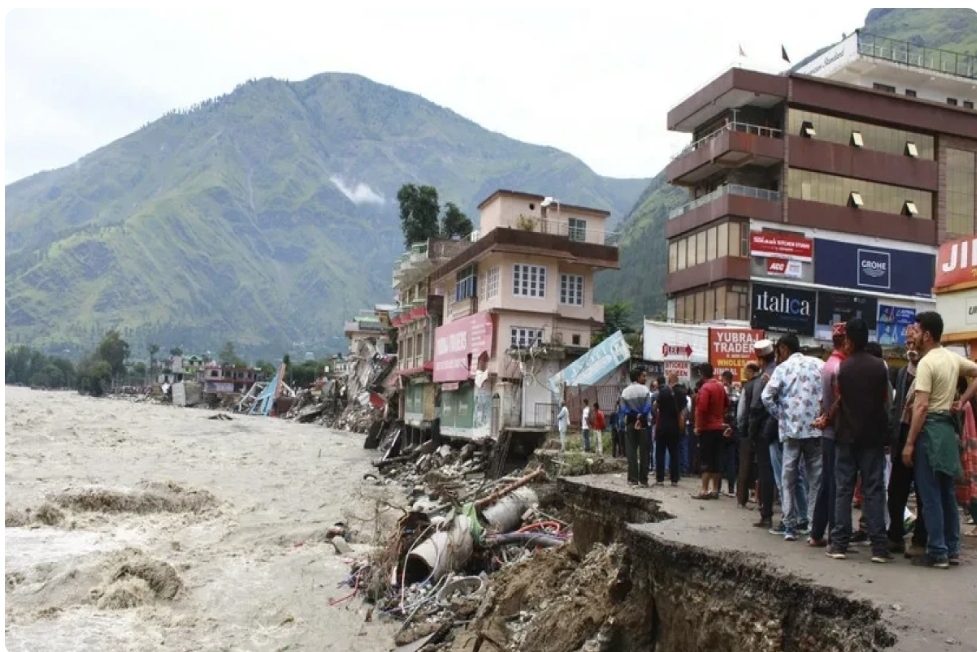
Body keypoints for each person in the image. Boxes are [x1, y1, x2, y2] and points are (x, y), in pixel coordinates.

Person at [904, 311, 976, 568]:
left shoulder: (926, 363)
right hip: (947, 430)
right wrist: (962, 400)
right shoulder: (952, 358)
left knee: (930, 493)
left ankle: (937, 551)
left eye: (917, 330)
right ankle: (952, 547)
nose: (914, 334)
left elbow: (921, 407)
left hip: (930, 430)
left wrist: (910, 443)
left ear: (927, 334)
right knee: (946, 492)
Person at [820, 318, 892, 563]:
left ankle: (838, 543)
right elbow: (885, 402)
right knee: (874, 491)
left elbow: (840, 400)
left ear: (848, 340)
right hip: (872, 437)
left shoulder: (843, 368)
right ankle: (879, 548)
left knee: (844, 490)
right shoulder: (880, 366)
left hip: (846, 437)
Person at [762, 333, 824, 541]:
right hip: (815, 430)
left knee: (787, 480)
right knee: (815, 480)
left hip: (791, 432)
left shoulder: (783, 369)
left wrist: (782, 415)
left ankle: (790, 526)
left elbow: (766, 397)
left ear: (785, 349)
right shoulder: (819, 364)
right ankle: (812, 527)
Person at [887, 330, 928, 556]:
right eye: (907, 343)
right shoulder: (903, 373)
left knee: (923, 492)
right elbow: (896, 408)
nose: (910, 347)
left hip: (922, 438)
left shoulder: (929, 369)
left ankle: (920, 540)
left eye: (914, 342)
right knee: (896, 491)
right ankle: (895, 535)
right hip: (901, 437)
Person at [809, 322, 846, 548]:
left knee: (827, 482)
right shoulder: (839, 367)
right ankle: (834, 533)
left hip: (828, 432)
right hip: (836, 431)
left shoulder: (829, 364)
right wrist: (827, 418)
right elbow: (840, 401)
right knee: (836, 485)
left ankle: (816, 532)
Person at [750, 339, 779, 529]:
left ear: (760, 359)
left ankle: (766, 513)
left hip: (765, 430)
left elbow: (756, 407)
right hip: (782, 427)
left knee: (766, 471)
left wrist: (751, 431)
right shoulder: (780, 370)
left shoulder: (764, 377)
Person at [693, 363, 729, 499]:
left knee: (706, 459)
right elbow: (727, 403)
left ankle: (704, 490)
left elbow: (702, 409)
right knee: (717, 459)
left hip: (707, 428)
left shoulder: (705, 388)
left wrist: (698, 427)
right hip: (719, 427)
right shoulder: (720, 386)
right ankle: (715, 490)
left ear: (702, 374)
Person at [620, 367, 653, 487]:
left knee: (631, 452)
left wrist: (634, 415)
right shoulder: (645, 390)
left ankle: (633, 479)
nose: (644, 378)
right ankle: (644, 480)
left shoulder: (625, 392)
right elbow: (649, 406)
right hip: (643, 423)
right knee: (644, 452)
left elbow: (623, 409)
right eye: (643, 376)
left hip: (630, 423)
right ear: (638, 377)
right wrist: (641, 415)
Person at [736, 362, 760, 508]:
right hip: (762, 430)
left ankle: (742, 498)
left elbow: (741, 411)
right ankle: (760, 498)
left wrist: (740, 427)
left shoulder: (748, 387)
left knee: (745, 465)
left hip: (747, 430)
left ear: (751, 371)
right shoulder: (765, 382)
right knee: (761, 467)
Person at [654, 374, 684, 486]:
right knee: (674, 453)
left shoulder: (664, 391)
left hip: (662, 426)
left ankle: (660, 479)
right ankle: (674, 479)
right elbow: (685, 409)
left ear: (669, 380)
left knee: (660, 453)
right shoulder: (682, 392)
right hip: (675, 427)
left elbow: (655, 405)